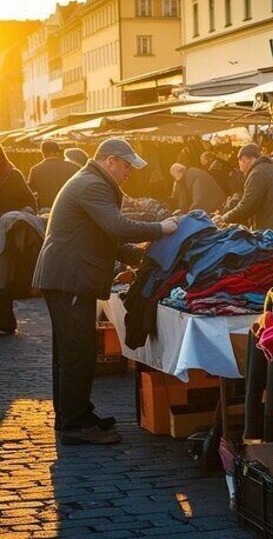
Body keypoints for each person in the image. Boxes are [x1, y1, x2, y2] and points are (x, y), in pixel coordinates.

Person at [32, 138, 178, 445]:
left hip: (66, 276)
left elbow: (109, 239)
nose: (128, 173)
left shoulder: (91, 181)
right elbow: (117, 226)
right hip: (69, 277)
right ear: (109, 160)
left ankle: (75, 415)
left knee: (71, 351)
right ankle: (74, 424)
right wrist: (161, 228)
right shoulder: (92, 185)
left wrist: (146, 257)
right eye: (126, 166)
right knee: (77, 351)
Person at [219, 143, 273, 235]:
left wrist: (223, 218)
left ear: (244, 159)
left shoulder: (257, 173)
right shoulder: (271, 168)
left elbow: (247, 206)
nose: (241, 170)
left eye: (240, 165)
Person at [0, 145, 37, 334]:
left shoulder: (13, 176)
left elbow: (30, 201)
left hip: (9, 235)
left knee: (4, 278)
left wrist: (22, 213)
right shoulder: (12, 174)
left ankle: (6, 320)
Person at [27, 140, 81, 208]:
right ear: (58, 152)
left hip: (45, 209)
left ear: (42, 152)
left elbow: (29, 192)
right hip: (68, 208)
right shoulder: (73, 167)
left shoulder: (35, 170)